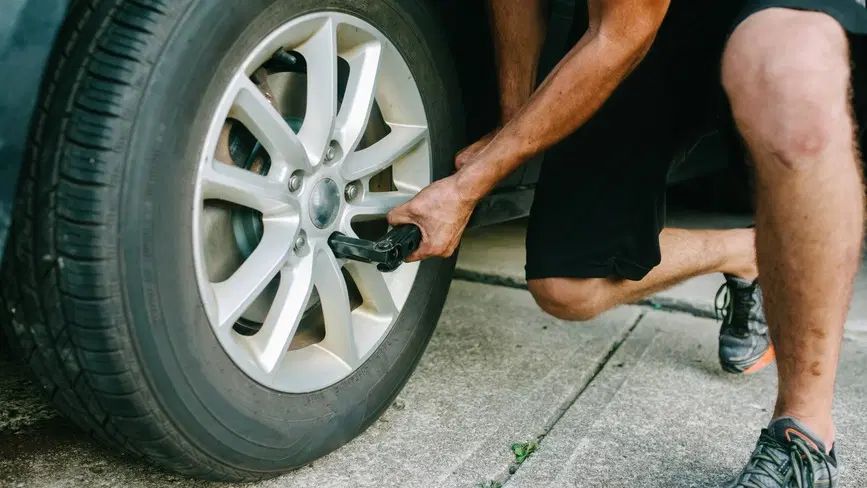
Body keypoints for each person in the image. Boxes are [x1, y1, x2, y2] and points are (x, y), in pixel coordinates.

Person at [387, 0, 867, 485]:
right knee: (567, 285)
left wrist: (468, 187)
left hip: (691, 17)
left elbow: (617, 37)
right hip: (649, 20)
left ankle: (804, 432)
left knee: (793, 78)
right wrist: (507, 133)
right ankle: (749, 252)